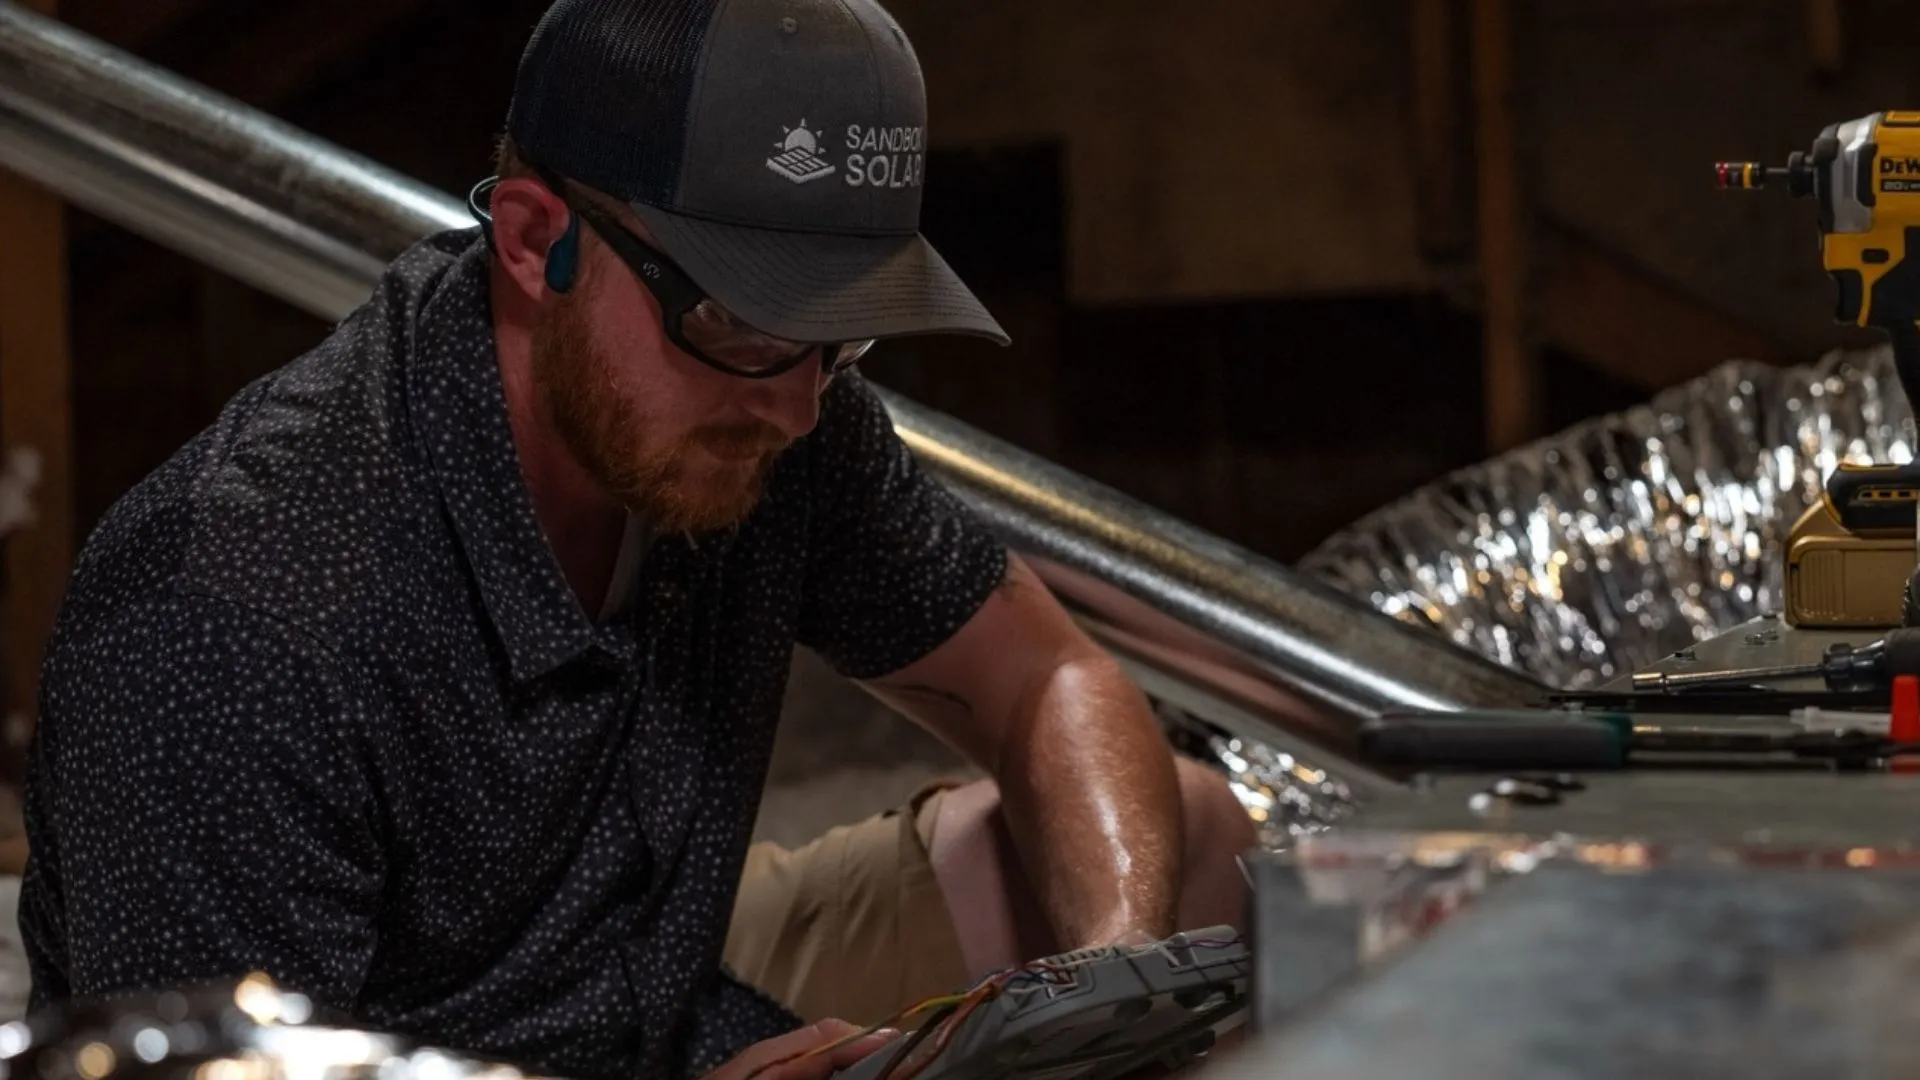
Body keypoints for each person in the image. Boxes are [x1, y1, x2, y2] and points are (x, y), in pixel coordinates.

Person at [18, 0, 1257, 1077]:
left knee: (1185, 838)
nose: (794, 403)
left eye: (839, 335)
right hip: (378, 1060)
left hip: (659, 996)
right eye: (737, 318)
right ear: (528, 236)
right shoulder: (238, 615)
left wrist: (1107, 993)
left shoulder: (773, 406)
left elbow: (1048, 679)